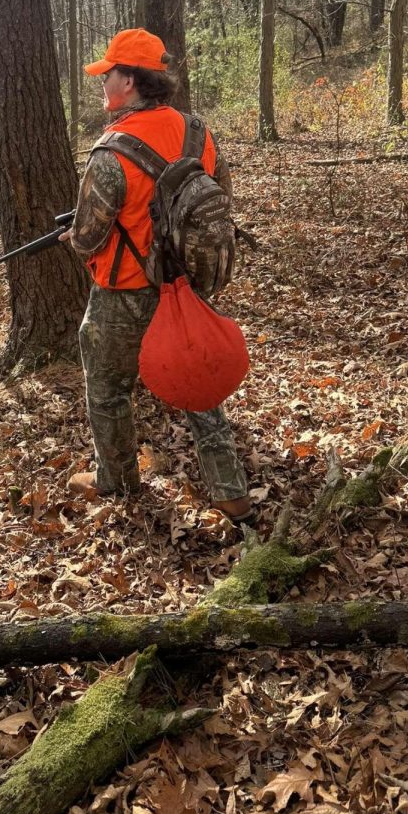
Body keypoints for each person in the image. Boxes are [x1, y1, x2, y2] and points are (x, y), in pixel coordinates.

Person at [61, 27, 252, 522]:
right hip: (188, 287)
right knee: (198, 381)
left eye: (108, 75)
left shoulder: (111, 151)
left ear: (129, 80)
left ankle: (118, 483)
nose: (102, 83)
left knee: (107, 388)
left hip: (124, 293)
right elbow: (220, 199)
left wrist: (74, 239)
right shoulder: (198, 132)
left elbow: (87, 237)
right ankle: (229, 491)